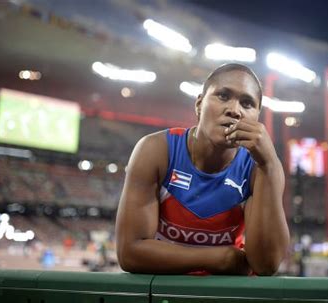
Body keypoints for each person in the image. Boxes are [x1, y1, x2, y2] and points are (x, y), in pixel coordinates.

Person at [115, 63, 289, 275]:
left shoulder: (261, 168)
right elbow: (129, 253)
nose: (234, 110)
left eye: (247, 103)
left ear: (256, 118)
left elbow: (266, 265)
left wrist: (270, 165)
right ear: (199, 104)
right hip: (164, 293)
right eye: (223, 96)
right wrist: (220, 258)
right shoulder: (156, 150)